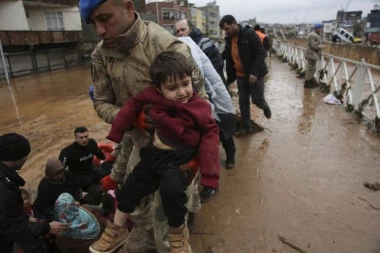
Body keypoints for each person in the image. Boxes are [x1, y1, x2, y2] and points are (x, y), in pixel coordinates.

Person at [79, 0, 208, 252]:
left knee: (170, 231)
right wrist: (129, 116)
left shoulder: (167, 47)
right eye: (93, 24)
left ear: (128, 8)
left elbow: (202, 102)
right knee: (136, 213)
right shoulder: (101, 55)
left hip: (177, 152)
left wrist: (200, 156)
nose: (100, 31)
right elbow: (101, 103)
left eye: (105, 19)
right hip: (140, 149)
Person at [91, 51, 220, 253]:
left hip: (176, 162)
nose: (182, 92)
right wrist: (117, 132)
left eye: (186, 84)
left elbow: (211, 137)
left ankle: (178, 235)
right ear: (159, 89)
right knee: (128, 190)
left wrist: (210, 176)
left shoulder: (200, 108)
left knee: (172, 195)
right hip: (153, 157)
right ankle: (116, 230)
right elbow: (133, 103)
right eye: (172, 88)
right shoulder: (152, 96)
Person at [0, 133, 69, 253]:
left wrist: (25, 217)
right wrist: (47, 228)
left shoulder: (6, 180)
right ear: (17, 158)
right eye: (25, 156)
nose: (26, 159)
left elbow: (6, 214)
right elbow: (10, 227)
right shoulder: (5, 189)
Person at [219, 15, 272, 136]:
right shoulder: (229, 39)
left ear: (233, 24)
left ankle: (264, 106)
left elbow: (261, 53)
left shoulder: (249, 34)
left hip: (255, 74)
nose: (226, 32)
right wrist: (213, 60)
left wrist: (254, 73)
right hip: (240, 75)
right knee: (243, 102)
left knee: (257, 100)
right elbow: (226, 54)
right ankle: (246, 127)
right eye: (224, 30)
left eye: (227, 28)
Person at [175, 19, 227, 87]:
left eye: (183, 29)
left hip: (212, 85)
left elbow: (217, 65)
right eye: (178, 31)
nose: (180, 33)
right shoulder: (182, 46)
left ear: (191, 28)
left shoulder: (203, 42)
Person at [304, 23, 325, 89]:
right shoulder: (313, 35)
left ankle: (310, 81)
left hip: (313, 55)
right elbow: (313, 46)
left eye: (321, 28)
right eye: (319, 28)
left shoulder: (315, 35)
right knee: (310, 69)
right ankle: (307, 83)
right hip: (311, 54)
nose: (320, 29)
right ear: (316, 28)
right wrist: (321, 47)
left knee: (312, 69)